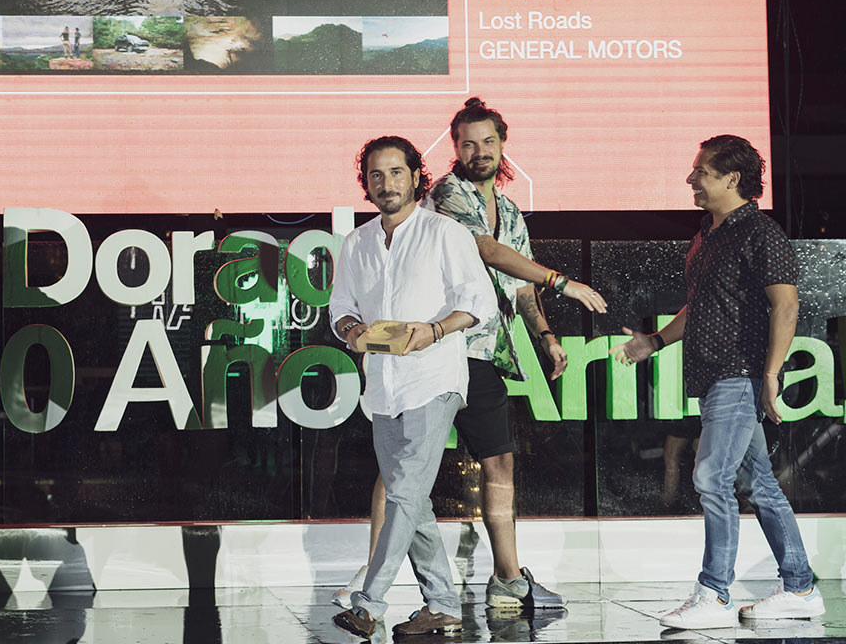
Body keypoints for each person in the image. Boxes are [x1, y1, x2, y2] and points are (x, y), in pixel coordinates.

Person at [334, 98, 606, 611]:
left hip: (482, 355)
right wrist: (563, 281)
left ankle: (506, 578)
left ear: (503, 145)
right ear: (453, 150)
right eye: (467, 143)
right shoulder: (447, 195)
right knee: (401, 472)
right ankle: (373, 578)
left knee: (496, 462)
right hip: (440, 354)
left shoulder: (510, 210)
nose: (478, 151)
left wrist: (545, 335)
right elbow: (489, 252)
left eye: (488, 142)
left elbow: (518, 287)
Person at [613, 135, 824, 629]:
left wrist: (769, 374)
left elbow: (786, 305)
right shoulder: (707, 235)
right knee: (759, 484)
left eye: (701, 172)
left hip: (740, 373)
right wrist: (655, 341)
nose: (692, 179)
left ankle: (715, 594)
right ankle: (800, 588)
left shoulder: (761, 233)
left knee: (711, 477)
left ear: (732, 178)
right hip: (712, 377)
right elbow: (702, 304)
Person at [328, 135, 497, 638]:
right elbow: (340, 309)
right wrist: (351, 331)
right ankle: (442, 604)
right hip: (382, 386)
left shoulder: (445, 233)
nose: (386, 183)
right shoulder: (356, 243)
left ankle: (369, 602)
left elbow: (480, 303)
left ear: (416, 177)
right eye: (376, 175)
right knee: (414, 500)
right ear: (366, 183)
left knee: (403, 491)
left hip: (434, 379)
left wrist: (435, 330)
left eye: (396, 172)